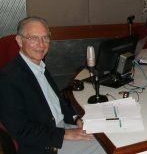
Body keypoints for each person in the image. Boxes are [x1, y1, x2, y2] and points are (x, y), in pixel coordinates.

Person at [0, 17, 106, 154]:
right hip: (45, 144)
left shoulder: (38, 66)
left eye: (45, 38)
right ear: (19, 41)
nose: (41, 44)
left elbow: (58, 102)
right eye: (33, 38)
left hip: (60, 128)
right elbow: (21, 130)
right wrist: (65, 134)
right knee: (107, 149)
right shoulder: (8, 79)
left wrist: (76, 118)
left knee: (108, 137)